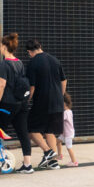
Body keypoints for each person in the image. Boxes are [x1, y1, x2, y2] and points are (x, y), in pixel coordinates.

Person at [0, 33, 33, 174]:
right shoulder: (19, 63)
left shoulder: (3, 64)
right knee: (23, 132)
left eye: (1, 45)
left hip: (7, 104)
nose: (0, 47)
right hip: (21, 103)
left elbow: (1, 86)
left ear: (5, 47)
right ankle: (27, 164)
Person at [25, 38, 66, 171]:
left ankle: (48, 151)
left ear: (29, 52)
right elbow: (63, 80)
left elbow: (32, 87)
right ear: (40, 46)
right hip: (57, 101)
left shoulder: (33, 63)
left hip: (42, 101)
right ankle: (53, 162)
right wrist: (60, 96)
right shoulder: (55, 60)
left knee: (31, 128)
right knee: (50, 131)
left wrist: (27, 100)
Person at [56, 92, 77, 166]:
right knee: (57, 142)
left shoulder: (66, 113)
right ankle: (59, 155)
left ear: (64, 103)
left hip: (68, 134)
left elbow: (60, 120)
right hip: (65, 133)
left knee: (69, 147)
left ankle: (74, 162)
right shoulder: (69, 111)